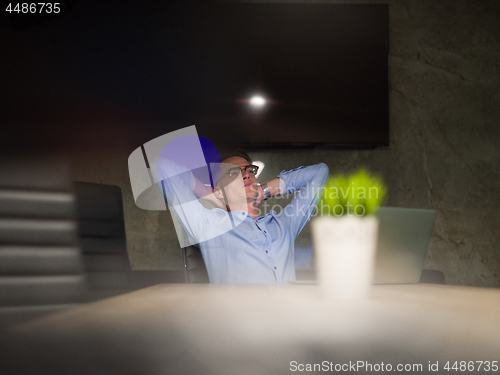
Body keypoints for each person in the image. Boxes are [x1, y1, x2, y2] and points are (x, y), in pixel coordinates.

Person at [159, 148, 329, 283]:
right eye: (233, 173)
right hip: (242, 324)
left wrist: (263, 191)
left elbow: (320, 172)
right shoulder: (211, 226)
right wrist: (210, 194)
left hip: (293, 322)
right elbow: (162, 167)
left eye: (249, 170)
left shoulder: (284, 224)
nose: (246, 174)